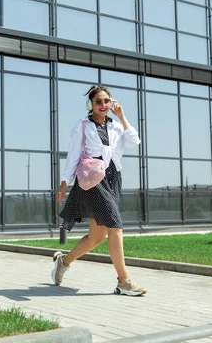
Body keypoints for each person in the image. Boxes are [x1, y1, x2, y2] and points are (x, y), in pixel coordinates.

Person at [52, 85, 147, 296]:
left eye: (106, 101)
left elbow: (133, 141)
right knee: (115, 226)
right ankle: (124, 281)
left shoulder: (115, 126)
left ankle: (63, 262)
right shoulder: (82, 126)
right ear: (91, 105)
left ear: (111, 102)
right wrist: (64, 182)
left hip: (113, 178)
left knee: (97, 237)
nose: (103, 105)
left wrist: (122, 116)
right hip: (93, 180)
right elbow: (73, 156)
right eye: (98, 102)